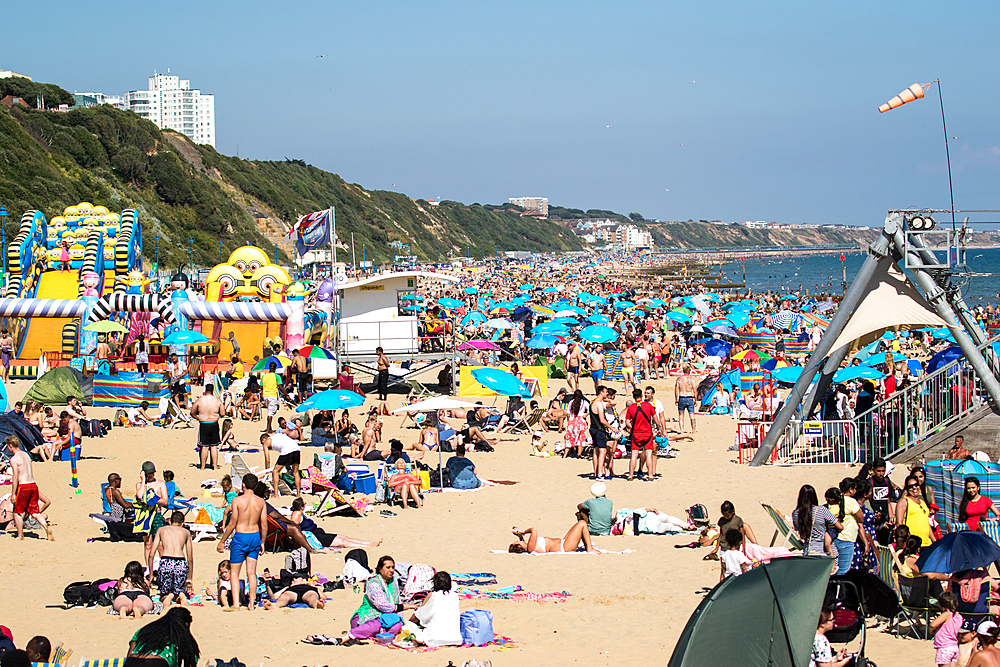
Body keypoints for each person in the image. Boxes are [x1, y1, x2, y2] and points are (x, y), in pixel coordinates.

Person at [217, 473, 268, 610]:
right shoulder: (260, 501)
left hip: (241, 536)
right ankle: (251, 603)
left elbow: (232, 523)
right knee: (251, 573)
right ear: (256, 486)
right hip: (255, 536)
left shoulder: (237, 501)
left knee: (234, 572)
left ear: (243, 485)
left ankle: (235, 603)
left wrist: (222, 541)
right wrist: (262, 541)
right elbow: (264, 524)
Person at [344, 555, 415, 644]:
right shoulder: (374, 583)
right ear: (380, 569)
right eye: (388, 567)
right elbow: (384, 607)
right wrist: (408, 606)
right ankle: (350, 635)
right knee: (375, 625)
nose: (391, 570)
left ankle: (382, 636)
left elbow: (397, 600)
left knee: (398, 625)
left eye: (393, 567)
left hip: (387, 618)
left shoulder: (393, 581)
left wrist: (399, 618)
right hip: (369, 617)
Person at [7, 435, 53, 540]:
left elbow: (15, 478)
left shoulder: (14, 459)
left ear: (10, 446)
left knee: (18, 512)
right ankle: (46, 527)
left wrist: (13, 493)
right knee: (35, 512)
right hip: (33, 485)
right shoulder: (26, 455)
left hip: (24, 486)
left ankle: (20, 535)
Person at [403, 571, 463, 647]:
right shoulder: (455, 596)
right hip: (456, 639)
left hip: (435, 639)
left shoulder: (433, 595)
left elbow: (419, 615)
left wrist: (409, 623)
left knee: (409, 626)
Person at [126, 607, 200, 667]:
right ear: (186, 624)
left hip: (132, 662)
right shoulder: (183, 636)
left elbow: (130, 653)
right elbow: (191, 662)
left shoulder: (146, 630)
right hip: (158, 663)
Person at [148, 511, 194, 606]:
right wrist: (189, 578)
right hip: (180, 561)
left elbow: (151, 554)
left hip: (166, 561)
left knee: (163, 592)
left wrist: (151, 574)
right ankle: (180, 595)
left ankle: (168, 596)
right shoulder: (186, 532)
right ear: (182, 524)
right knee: (180, 589)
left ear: (169, 521)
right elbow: (190, 558)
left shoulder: (161, 530)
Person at [791, 484, 841, 559]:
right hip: (824, 551)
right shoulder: (821, 510)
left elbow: (798, 529)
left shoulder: (795, 513)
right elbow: (839, 526)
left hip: (808, 551)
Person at [509, 521, 599, 554]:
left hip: (563, 542)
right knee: (582, 523)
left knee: (578, 525)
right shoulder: (530, 548)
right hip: (564, 547)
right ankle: (589, 548)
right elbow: (534, 530)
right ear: (519, 546)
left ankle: (588, 546)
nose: (518, 541)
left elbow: (524, 543)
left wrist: (520, 536)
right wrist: (524, 531)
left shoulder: (529, 546)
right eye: (517, 542)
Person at [625, 387, 656, 481]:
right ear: (642, 395)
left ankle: (630, 475)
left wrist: (632, 428)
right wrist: (660, 429)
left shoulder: (631, 408)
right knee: (648, 454)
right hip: (647, 433)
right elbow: (656, 418)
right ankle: (650, 475)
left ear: (633, 397)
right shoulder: (648, 406)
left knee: (634, 455)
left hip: (636, 433)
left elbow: (627, 422)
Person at [190, 384, 223, 470]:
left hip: (204, 423)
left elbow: (192, 412)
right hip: (214, 423)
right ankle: (215, 466)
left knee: (204, 446)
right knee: (214, 446)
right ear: (213, 390)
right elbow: (222, 413)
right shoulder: (217, 400)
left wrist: (198, 417)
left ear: (205, 390)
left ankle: (202, 466)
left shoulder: (200, 400)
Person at [896, 473, 935, 546]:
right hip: (912, 544)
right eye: (911, 486)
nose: (914, 488)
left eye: (916, 485)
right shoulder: (904, 501)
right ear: (907, 489)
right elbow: (899, 524)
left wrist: (934, 540)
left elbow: (926, 523)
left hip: (926, 543)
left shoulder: (923, 503)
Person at [261, 431, 301, 497]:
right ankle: (298, 494)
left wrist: (267, 473)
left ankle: (276, 494)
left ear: (263, 440)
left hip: (287, 450)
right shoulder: (277, 436)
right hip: (297, 448)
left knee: (275, 471)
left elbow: (267, 460)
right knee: (295, 472)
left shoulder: (266, 442)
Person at [931, 591, 964, 667]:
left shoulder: (947, 614)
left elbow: (933, 624)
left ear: (942, 606)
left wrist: (932, 630)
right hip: (954, 646)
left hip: (944, 648)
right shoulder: (958, 616)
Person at [589, 386, 611, 480]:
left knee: (595, 451)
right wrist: (611, 428)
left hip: (593, 428)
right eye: (606, 392)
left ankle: (596, 473)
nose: (607, 394)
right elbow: (602, 420)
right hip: (599, 429)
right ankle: (600, 474)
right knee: (602, 451)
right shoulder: (599, 403)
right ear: (601, 392)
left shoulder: (593, 403)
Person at [564, 389, 591, 458]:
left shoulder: (571, 402)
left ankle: (565, 455)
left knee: (569, 439)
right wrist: (585, 415)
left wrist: (568, 421)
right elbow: (590, 410)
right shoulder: (584, 402)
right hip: (581, 421)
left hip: (572, 421)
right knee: (581, 439)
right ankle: (579, 455)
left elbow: (568, 414)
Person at [261, 361, 283, 434]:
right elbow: (280, 387)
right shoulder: (277, 376)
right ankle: (267, 430)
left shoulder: (264, 376)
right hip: (272, 395)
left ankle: (269, 428)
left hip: (265, 395)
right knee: (270, 413)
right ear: (275, 368)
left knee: (269, 411)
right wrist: (286, 394)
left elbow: (261, 386)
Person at [674, 364, 697, 433]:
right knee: (691, 414)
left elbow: (676, 390)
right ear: (689, 371)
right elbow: (695, 391)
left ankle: (682, 430)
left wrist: (676, 398)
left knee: (681, 415)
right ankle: (693, 430)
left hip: (681, 397)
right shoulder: (692, 380)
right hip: (689, 397)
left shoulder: (679, 379)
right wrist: (695, 400)